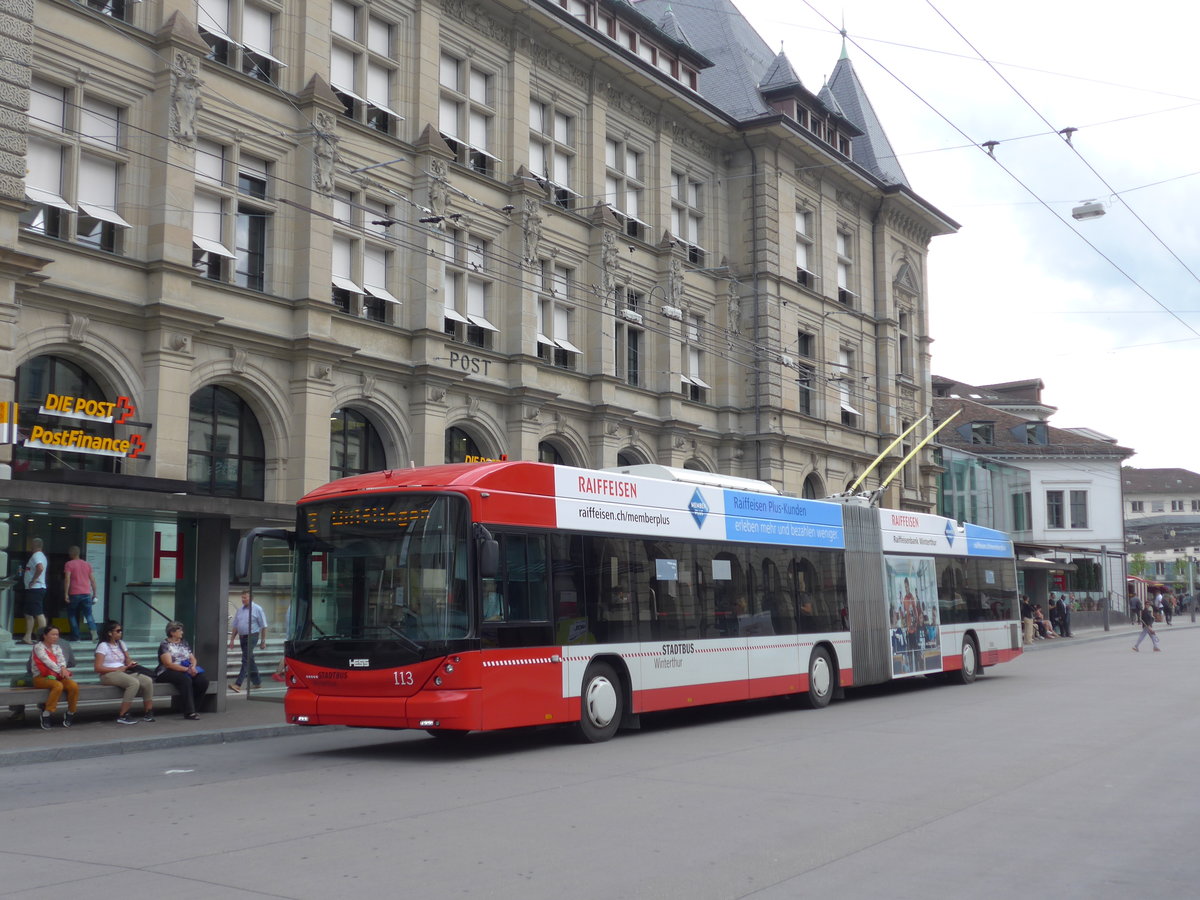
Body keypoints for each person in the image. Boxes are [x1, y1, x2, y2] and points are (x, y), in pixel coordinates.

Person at [94, 620, 155, 725]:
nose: (120, 633)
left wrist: (130, 663)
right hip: (108, 674)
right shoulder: (103, 646)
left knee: (147, 681)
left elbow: (127, 659)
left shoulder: (121, 644)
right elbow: (97, 668)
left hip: (123, 672)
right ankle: (123, 714)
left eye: (121, 630)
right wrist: (117, 669)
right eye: (118, 631)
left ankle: (148, 711)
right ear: (110, 633)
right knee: (133, 683)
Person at [156, 621, 209, 719]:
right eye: (179, 630)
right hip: (167, 671)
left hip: (186, 669)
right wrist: (187, 670)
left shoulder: (184, 643)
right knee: (185, 680)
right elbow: (168, 664)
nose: (182, 632)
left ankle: (194, 707)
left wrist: (193, 667)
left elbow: (192, 658)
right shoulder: (165, 644)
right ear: (172, 632)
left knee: (202, 681)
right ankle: (189, 712)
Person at [31, 625, 80, 729]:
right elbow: (47, 662)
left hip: (58, 675)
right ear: (45, 635)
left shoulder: (57, 647)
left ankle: (71, 712)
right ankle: (46, 713)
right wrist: (62, 670)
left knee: (73, 686)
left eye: (57, 635)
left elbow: (61, 659)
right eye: (53, 634)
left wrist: (63, 667)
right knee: (58, 686)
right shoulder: (38, 647)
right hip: (41, 677)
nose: (55, 637)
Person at [228, 589, 267, 691]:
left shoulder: (257, 609)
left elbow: (264, 626)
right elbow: (236, 625)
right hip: (242, 637)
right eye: (242, 597)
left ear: (251, 598)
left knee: (245, 659)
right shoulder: (240, 610)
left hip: (252, 636)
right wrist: (232, 639)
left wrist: (263, 641)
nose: (243, 599)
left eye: (245, 597)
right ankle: (257, 682)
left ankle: (238, 684)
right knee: (250, 659)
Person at [63, 545, 98, 643]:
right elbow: (92, 580)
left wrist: (66, 594)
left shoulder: (69, 564)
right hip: (86, 593)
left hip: (74, 593)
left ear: (71, 553)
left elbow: (67, 579)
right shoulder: (87, 564)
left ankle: (76, 637)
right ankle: (94, 634)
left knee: (72, 614)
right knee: (88, 614)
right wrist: (95, 593)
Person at [20, 537, 48, 645]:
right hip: (34, 588)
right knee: (28, 613)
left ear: (34, 545)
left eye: (31, 544)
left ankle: (44, 638)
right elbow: (35, 569)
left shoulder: (37, 555)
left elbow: (40, 568)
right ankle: (27, 637)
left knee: (38, 613)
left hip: (36, 588)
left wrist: (34, 579)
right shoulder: (40, 556)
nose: (30, 546)